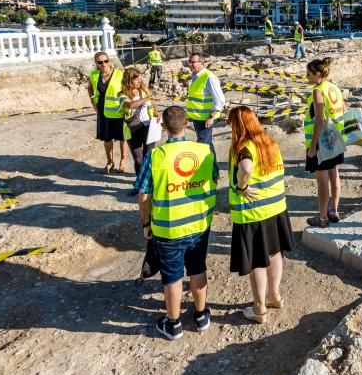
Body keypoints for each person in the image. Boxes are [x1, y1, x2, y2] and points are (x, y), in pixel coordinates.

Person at [135, 106, 215, 340]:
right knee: (198, 268)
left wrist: (145, 224)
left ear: (163, 127)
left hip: (168, 227)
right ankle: (201, 316)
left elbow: (143, 196)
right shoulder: (205, 151)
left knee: (172, 275)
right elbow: (212, 178)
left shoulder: (155, 156)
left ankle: (173, 324)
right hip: (199, 223)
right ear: (187, 123)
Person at [227, 106, 294, 324]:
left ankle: (259, 308)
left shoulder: (244, 148)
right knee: (275, 253)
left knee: (257, 259)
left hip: (253, 212)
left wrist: (242, 186)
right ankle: (274, 296)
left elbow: (246, 168)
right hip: (276, 208)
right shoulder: (270, 144)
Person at [304, 57, 347, 227]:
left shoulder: (318, 91)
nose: (306, 77)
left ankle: (322, 218)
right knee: (334, 174)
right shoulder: (333, 87)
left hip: (322, 142)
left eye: (309, 74)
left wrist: (313, 146)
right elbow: (343, 109)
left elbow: (319, 120)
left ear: (317, 74)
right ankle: (334, 211)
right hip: (335, 139)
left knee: (322, 181)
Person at [87, 51, 128, 173]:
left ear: (109, 61)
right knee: (107, 138)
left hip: (119, 110)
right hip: (103, 111)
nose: (104, 64)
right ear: (96, 63)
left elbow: (128, 88)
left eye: (106, 61)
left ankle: (123, 160)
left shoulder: (120, 74)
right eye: (100, 62)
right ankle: (110, 162)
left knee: (123, 137)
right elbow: (90, 88)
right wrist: (93, 102)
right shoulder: (94, 75)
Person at [185, 53, 226, 165]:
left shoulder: (209, 77)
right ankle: (214, 170)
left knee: (203, 146)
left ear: (201, 63)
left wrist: (211, 117)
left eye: (193, 62)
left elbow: (220, 100)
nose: (190, 64)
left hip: (206, 119)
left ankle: (207, 171)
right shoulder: (195, 76)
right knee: (207, 144)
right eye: (189, 62)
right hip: (197, 117)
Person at [119, 66, 159, 177]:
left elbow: (151, 105)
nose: (139, 81)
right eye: (136, 79)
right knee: (138, 160)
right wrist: (148, 98)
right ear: (129, 80)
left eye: (140, 79)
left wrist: (156, 113)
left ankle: (149, 183)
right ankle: (139, 184)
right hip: (133, 130)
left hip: (148, 127)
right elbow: (131, 105)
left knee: (149, 157)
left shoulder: (143, 91)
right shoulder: (122, 95)